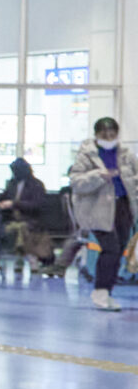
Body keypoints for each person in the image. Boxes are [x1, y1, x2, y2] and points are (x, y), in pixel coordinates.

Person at [70, 118, 133, 311]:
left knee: (119, 250)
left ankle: (107, 291)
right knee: (110, 248)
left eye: (112, 135)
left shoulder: (126, 154)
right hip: (97, 210)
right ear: (96, 135)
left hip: (123, 206)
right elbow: (76, 182)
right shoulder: (86, 156)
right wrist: (98, 176)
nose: (109, 139)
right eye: (104, 135)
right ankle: (100, 291)